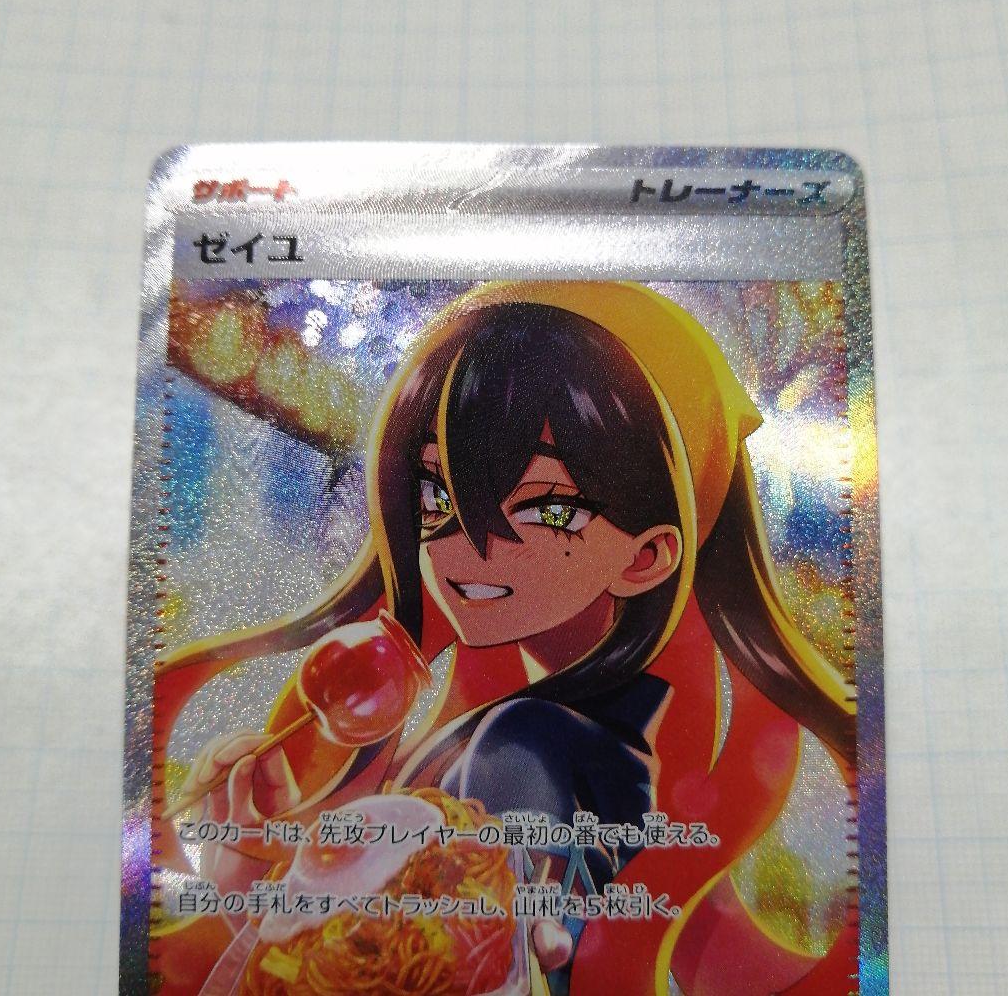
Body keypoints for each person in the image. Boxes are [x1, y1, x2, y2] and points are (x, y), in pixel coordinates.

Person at [154, 282, 855, 994]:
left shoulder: (523, 745)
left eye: (548, 508)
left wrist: (259, 879)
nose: (467, 547)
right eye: (439, 495)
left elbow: (424, 971)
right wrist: (255, 869)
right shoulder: (550, 738)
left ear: (648, 555)